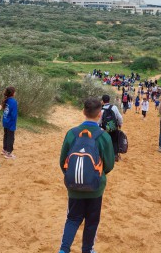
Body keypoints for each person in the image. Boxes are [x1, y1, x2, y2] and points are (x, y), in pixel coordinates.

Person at [58, 97, 115, 253]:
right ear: (100, 115)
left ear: (83, 112)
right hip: (95, 188)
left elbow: (62, 161)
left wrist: (73, 176)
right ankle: (87, 249)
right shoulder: (103, 136)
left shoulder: (72, 133)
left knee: (72, 219)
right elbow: (109, 164)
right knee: (92, 221)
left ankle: (63, 250)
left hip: (74, 187)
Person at [98, 95, 123, 162]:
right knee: (115, 140)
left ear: (102, 101)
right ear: (109, 100)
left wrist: (99, 127)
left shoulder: (101, 110)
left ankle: (106, 156)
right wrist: (120, 123)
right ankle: (115, 155)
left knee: (106, 141)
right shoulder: (114, 107)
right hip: (113, 127)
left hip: (105, 128)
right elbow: (119, 117)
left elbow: (99, 121)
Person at [2, 86, 18, 159]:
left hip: (5, 121)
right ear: (12, 93)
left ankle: (4, 150)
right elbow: (13, 114)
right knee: (10, 137)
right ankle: (8, 153)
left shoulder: (7, 100)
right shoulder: (13, 101)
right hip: (11, 122)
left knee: (6, 135)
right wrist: (14, 124)